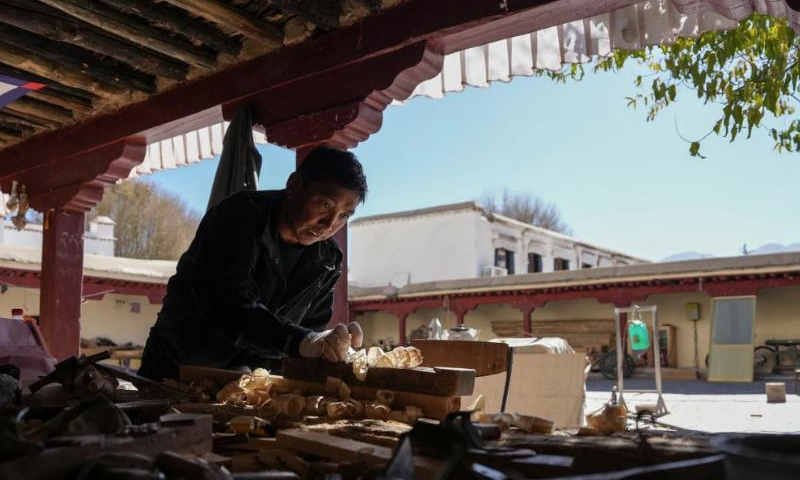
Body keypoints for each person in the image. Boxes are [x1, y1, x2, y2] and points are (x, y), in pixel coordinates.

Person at [138, 146, 367, 381]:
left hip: (248, 383)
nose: (330, 224)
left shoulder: (327, 259)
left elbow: (311, 327)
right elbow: (228, 304)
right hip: (177, 370)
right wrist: (299, 340)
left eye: (344, 215)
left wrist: (327, 344)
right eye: (326, 205)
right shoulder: (238, 216)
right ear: (295, 186)